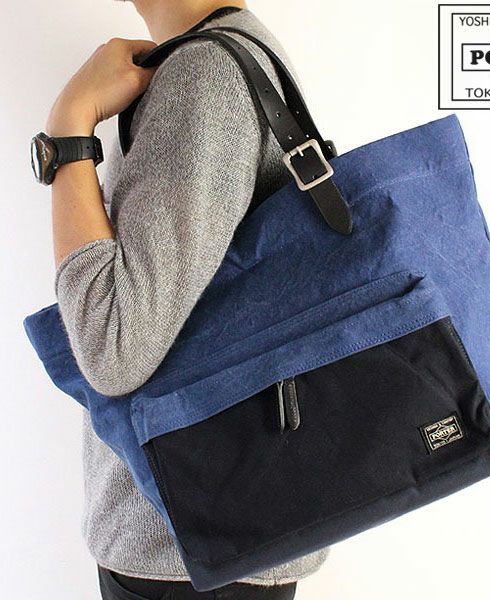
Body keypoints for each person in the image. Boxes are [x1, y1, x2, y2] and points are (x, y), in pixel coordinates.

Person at [45, 1, 331, 598]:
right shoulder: (234, 54)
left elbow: (113, 346)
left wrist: (69, 131)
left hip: (184, 554)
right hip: (217, 540)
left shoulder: (207, 74)